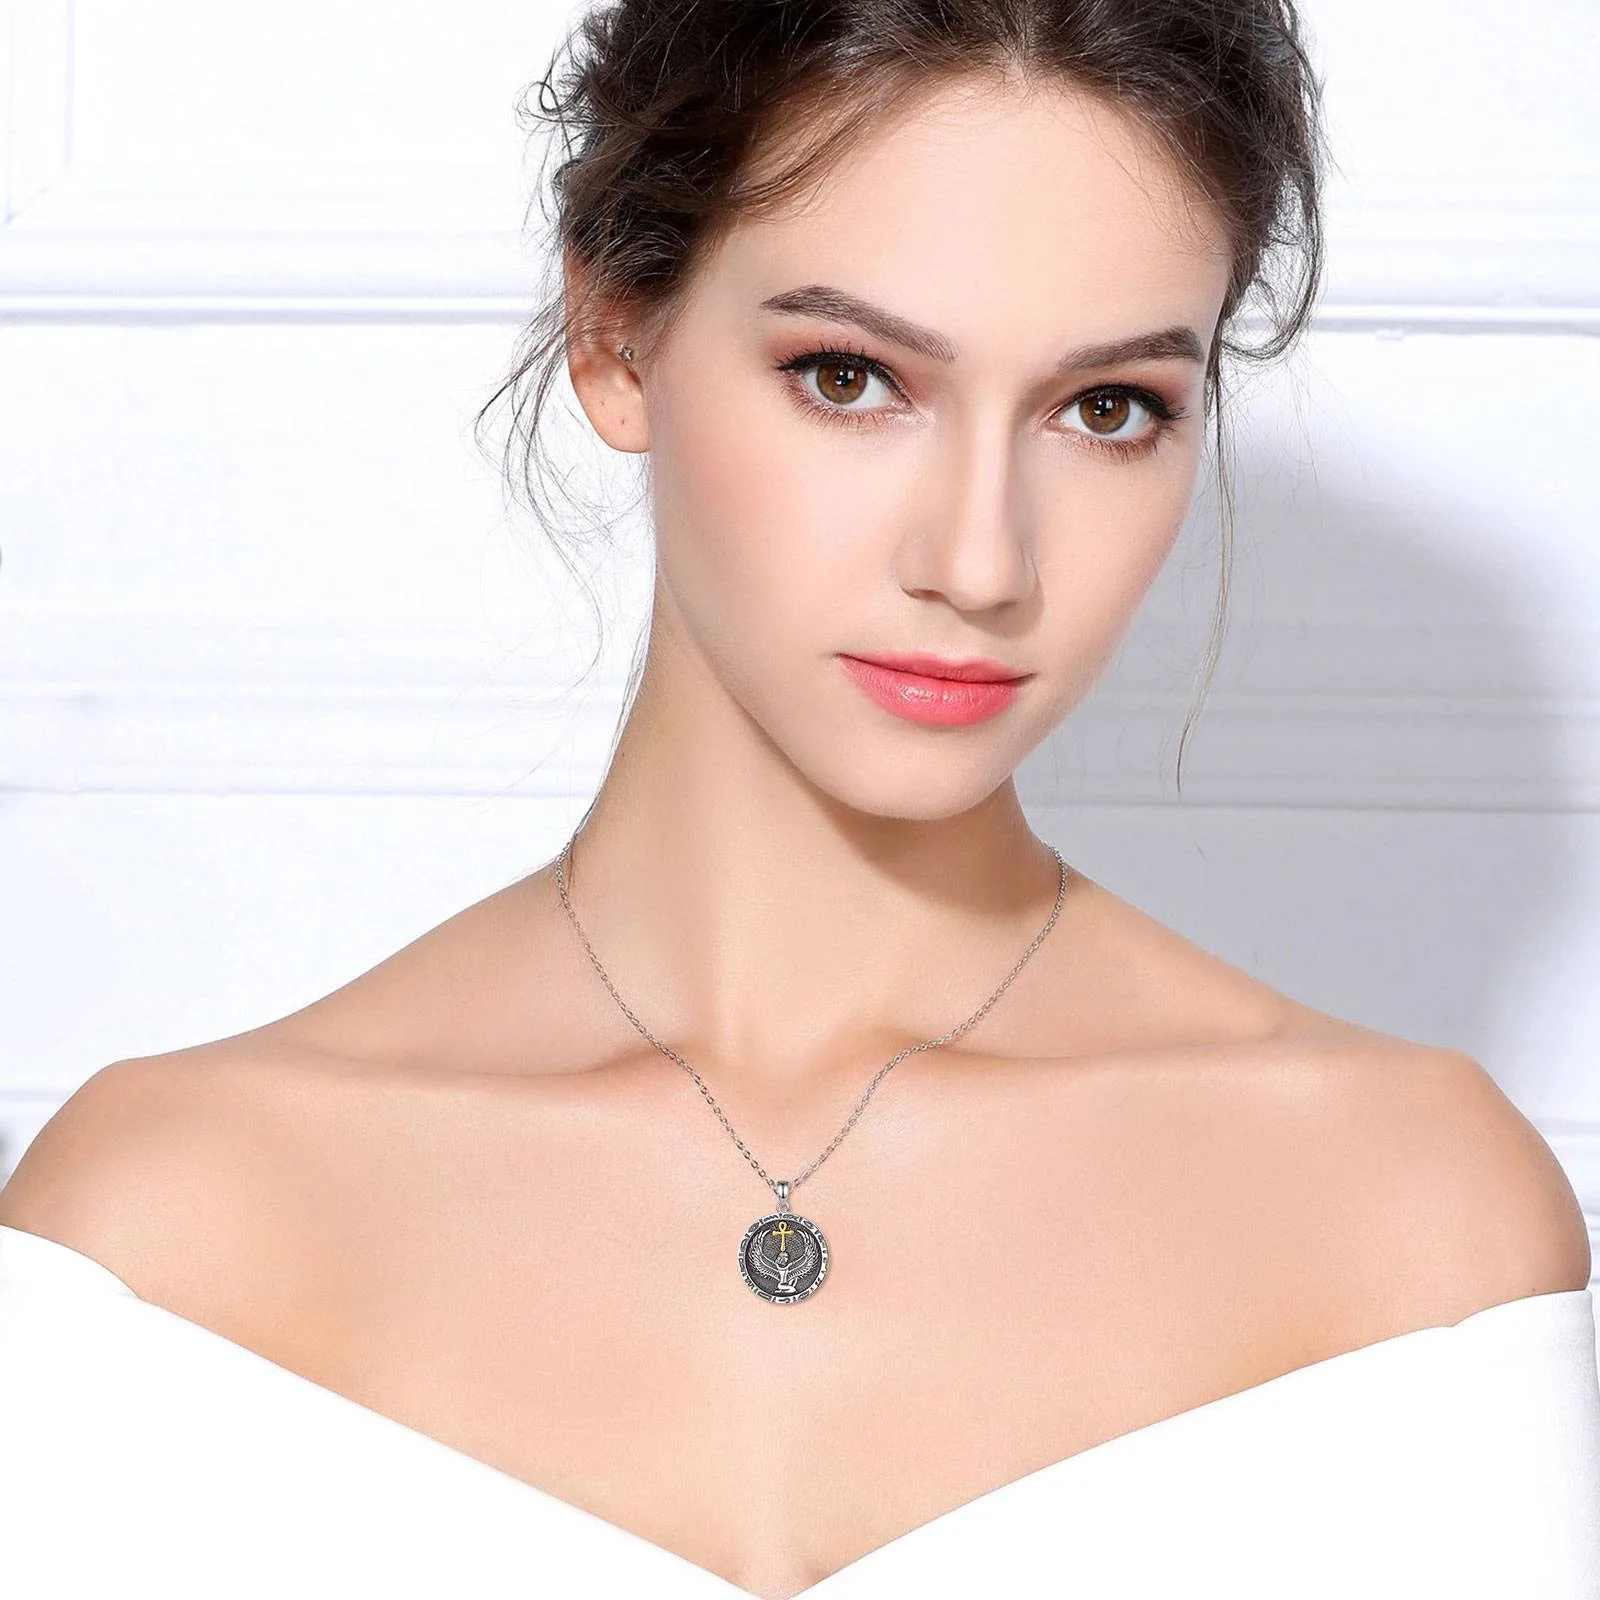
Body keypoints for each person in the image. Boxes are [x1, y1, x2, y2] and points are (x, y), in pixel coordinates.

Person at [2, 1, 1596, 1596]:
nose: (979, 560)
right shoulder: (168, 1235)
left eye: (1107, 408)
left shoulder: (1412, 1223)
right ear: (615, 336)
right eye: (850, 377)